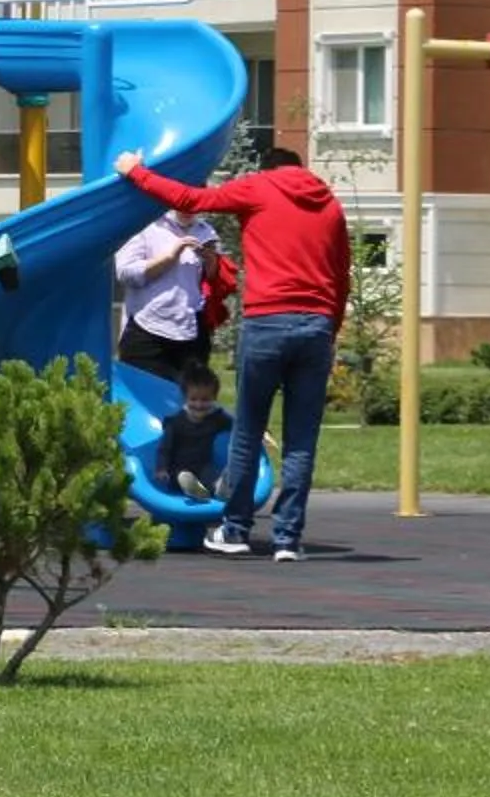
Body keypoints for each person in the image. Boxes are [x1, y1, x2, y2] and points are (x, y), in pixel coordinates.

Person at [113, 145, 351, 562]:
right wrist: (327, 330)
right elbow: (341, 276)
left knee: (248, 429)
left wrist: (136, 173)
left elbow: (191, 200)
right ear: (302, 170)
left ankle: (236, 529)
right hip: (315, 327)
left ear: (267, 170)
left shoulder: (258, 188)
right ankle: (287, 540)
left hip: (267, 323)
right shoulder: (330, 205)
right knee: (300, 441)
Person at [114, 208, 218, 383]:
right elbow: (125, 273)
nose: (188, 208)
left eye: (194, 202)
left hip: (192, 330)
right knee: (147, 401)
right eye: (183, 202)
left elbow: (209, 278)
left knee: (190, 403)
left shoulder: (205, 230)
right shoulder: (145, 226)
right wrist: (170, 257)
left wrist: (210, 260)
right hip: (148, 329)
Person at [156, 363, 232, 503]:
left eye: (205, 400)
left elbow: (239, 426)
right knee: (182, 477)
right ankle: (194, 490)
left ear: (214, 398)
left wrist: (261, 432)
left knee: (211, 474)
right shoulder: (175, 422)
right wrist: (161, 468)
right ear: (185, 398)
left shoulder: (217, 418)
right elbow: (164, 449)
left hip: (203, 466)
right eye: (193, 399)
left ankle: (218, 488)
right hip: (178, 468)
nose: (199, 404)